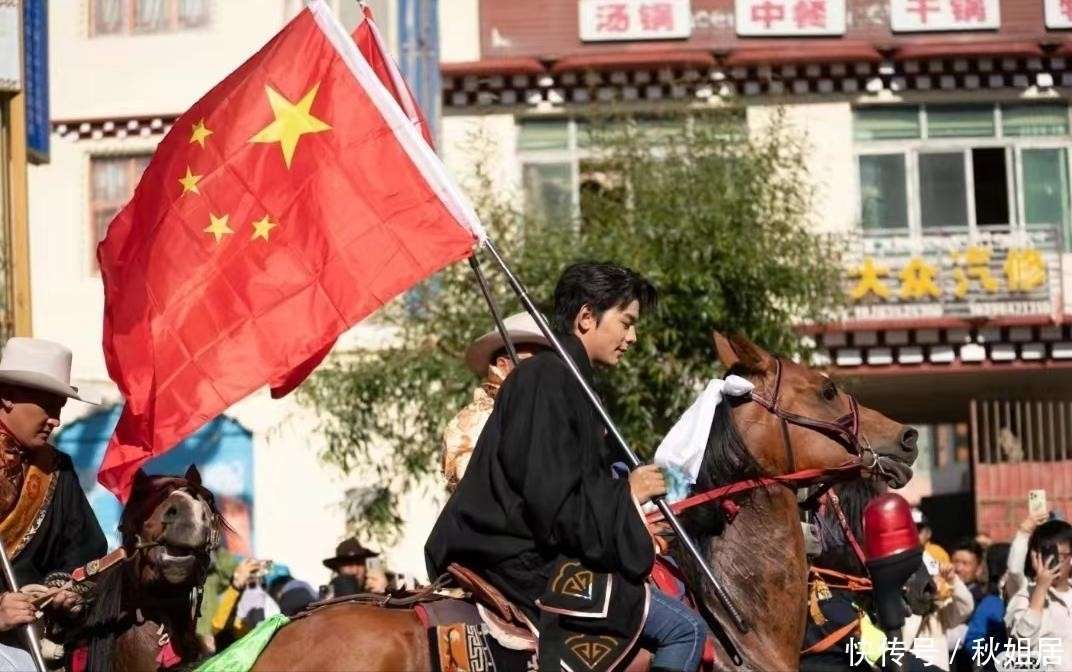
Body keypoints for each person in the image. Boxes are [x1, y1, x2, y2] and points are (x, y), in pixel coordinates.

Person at [428, 262, 707, 672]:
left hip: (528, 549)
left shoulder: (568, 380)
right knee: (685, 629)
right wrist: (628, 492)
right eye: (627, 323)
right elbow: (550, 499)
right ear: (587, 317)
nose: (632, 337)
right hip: (515, 556)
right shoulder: (546, 378)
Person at [0, 338, 107, 667]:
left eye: (60, 408)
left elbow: (84, 549)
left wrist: (63, 592)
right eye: (47, 406)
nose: (56, 420)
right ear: (6, 397)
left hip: (30, 641)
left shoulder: (58, 470)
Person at [441, 312, 549, 491]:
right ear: (502, 365)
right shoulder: (473, 422)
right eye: (534, 362)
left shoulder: (545, 410)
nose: (545, 370)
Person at [1003, 519, 1071, 671]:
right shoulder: (1024, 595)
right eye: (1047, 555)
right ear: (1035, 557)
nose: (1052, 562)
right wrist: (1041, 589)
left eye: (1059, 556)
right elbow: (1023, 640)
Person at [949, 540, 1006, 672]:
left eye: (965, 563)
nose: (958, 568)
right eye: (955, 562)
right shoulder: (939, 596)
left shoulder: (984, 602)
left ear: (979, 569)